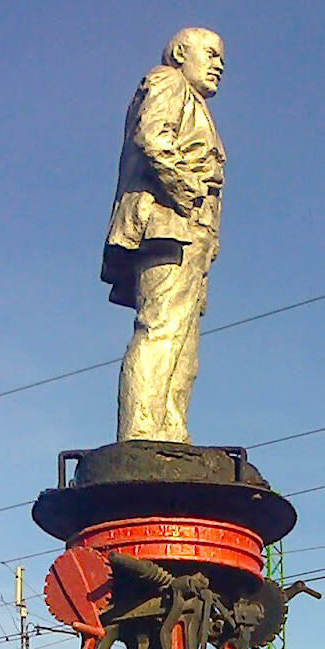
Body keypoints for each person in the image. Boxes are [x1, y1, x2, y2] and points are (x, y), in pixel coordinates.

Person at [102, 28, 225, 443]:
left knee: (184, 346)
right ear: (179, 53)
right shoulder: (168, 81)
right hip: (167, 226)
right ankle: (140, 434)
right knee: (161, 328)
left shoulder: (194, 102)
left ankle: (170, 432)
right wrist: (189, 191)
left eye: (219, 57)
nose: (218, 64)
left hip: (191, 235)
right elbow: (152, 138)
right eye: (209, 53)